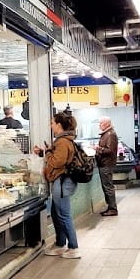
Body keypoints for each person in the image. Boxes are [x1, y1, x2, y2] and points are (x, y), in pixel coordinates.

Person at [41, 110, 81, 259]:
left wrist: (47, 153)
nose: (51, 126)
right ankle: (60, 243)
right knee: (57, 214)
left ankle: (73, 247)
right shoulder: (63, 140)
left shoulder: (63, 141)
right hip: (61, 181)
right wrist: (48, 151)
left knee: (63, 214)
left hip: (62, 181)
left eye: (52, 123)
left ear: (59, 125)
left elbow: (57, 161)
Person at [95, 116, 119, 216]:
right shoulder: (106, 134)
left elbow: (110, 150)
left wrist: (98, 149)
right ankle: (110, 207)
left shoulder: (110, 135)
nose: (99, 125)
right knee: (106, 186)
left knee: (108, 186)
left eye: (101, 123)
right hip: (104, 163)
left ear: (107, 124)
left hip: (106, 164)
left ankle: (113, 208)